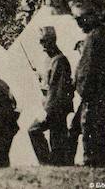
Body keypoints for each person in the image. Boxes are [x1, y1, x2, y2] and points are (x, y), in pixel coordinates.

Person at [73, 3, 105, 168]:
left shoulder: (93, 38)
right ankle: (101, 158)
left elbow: (87, 69)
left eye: (81, 19)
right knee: (100, 124)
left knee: (90, 125)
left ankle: (92, 160)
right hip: (103, 91)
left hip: (93, 93)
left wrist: (82, 90)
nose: (80, 24)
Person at [28, 26, 74, 166]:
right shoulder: (51, 59)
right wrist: (41, 78)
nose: (41, 45)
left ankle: (47, 163)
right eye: (40, 41)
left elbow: (56, 89)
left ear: (52, 41)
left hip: (55, 107)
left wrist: (46, 111)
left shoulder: (59, 60)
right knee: (57, 139)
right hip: (54, 106)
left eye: (44, 41)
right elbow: (51, 83)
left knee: (34, 130)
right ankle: (55, 164)